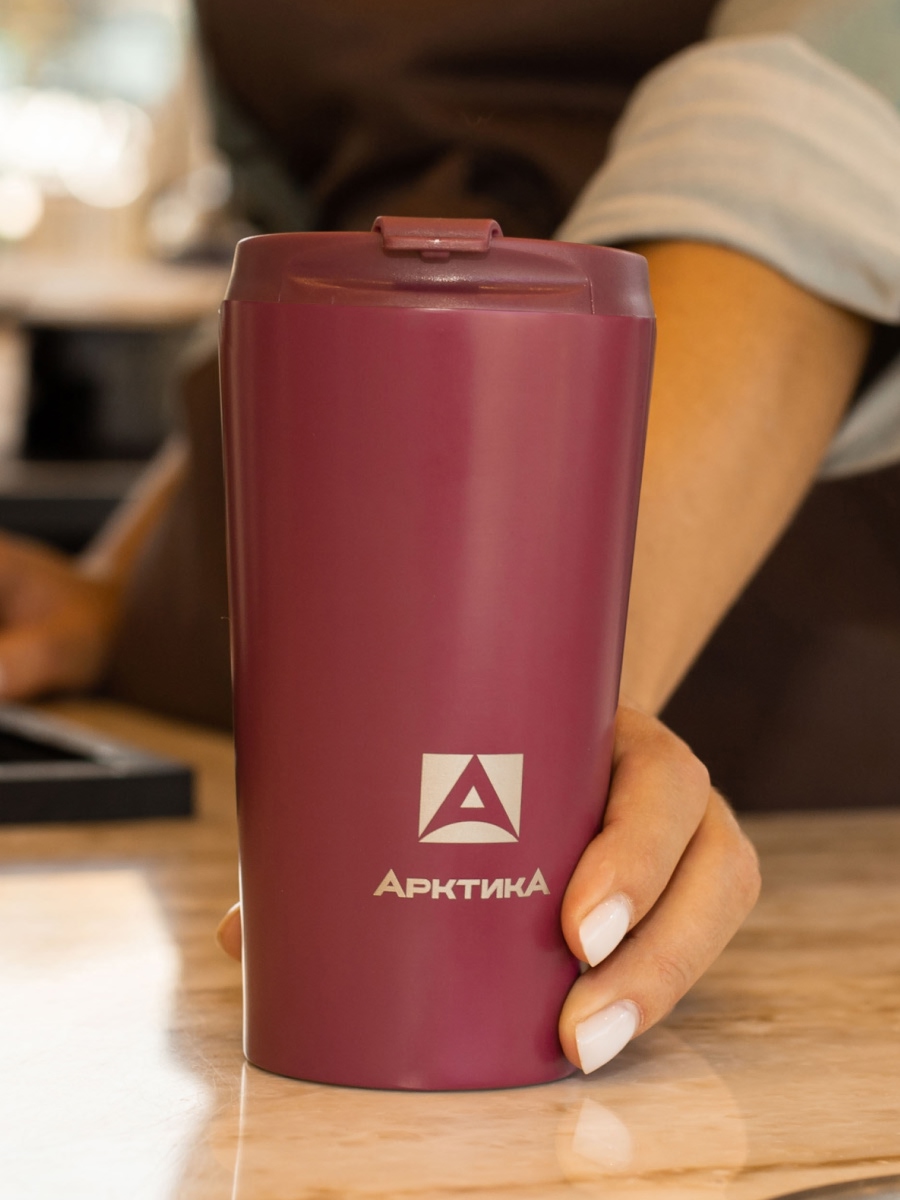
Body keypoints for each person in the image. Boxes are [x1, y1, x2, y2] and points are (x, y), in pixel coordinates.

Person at [0, 0, 898, 1075]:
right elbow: (280, 275)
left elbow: (804, 160)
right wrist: (116, 585)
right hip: (253, 746)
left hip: (727, 631)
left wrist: (553, 709)